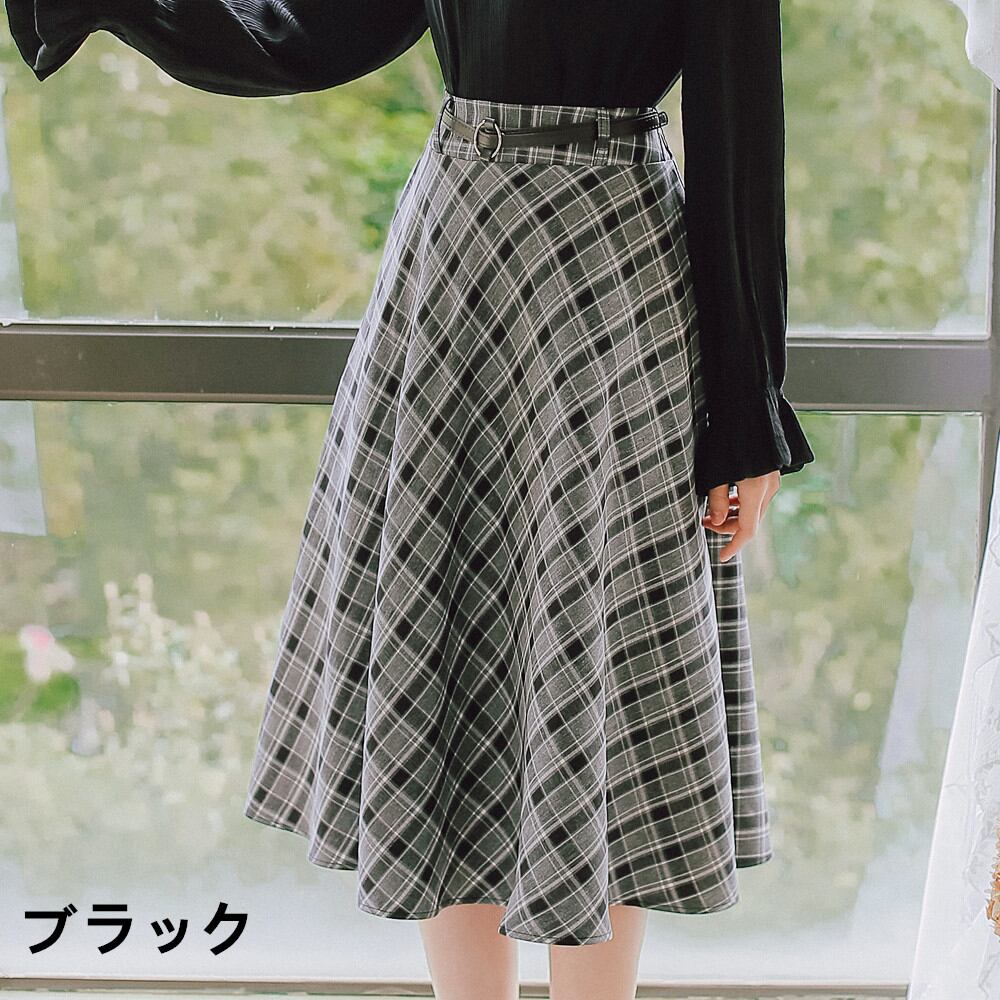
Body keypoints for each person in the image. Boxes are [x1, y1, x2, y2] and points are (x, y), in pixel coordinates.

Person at [6, 1, 816, 997]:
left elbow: (741, 132)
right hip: (458, 265)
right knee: (443, 658)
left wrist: (747, 413)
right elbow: (313, 33)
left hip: (609, 280)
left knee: (602, 661)